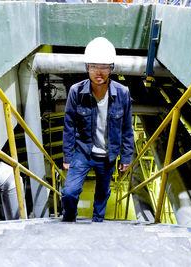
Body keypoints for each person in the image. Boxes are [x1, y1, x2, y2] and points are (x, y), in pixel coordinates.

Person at [61, 37, 134, 222]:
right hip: (83, 152)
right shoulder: (76, 92)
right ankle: (69, 220)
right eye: (94, 66)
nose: (99, 72)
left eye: (104, 67)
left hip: (108, 155)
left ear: (112, 68)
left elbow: (127, 127)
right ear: (87, 67)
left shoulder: (123, 93)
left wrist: (126, 157)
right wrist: (68, 157)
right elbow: (69, 125)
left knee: (102, 193)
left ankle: (97, 222)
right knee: (69, 192)